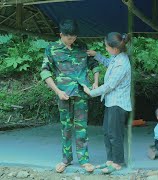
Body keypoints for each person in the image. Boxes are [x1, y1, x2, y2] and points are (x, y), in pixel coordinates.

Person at [40, 19, 99, 173]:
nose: (72, 40)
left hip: (81, 93)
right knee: (66, 127)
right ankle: (66, 160)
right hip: (63, 93)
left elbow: (94, 64)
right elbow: (45, 71)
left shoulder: (82, 46)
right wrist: (57, 91)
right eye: (68, 37)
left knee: (81, 128)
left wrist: (96, 82)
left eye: (74, 37)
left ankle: (84, 160)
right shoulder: (51, 49)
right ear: (61, 34)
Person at [83, 32, 132, 174]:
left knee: (115, 134)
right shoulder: (116, 57)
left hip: (118, 103)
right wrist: (96, 55)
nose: (105, 48)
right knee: (107, 132)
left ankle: (118, 162)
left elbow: (109, 85)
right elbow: (107, 62)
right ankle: (110, 160)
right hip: (111, 102)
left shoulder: (122, 63)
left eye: (106, 46)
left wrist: (91, 92)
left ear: (114, 48)